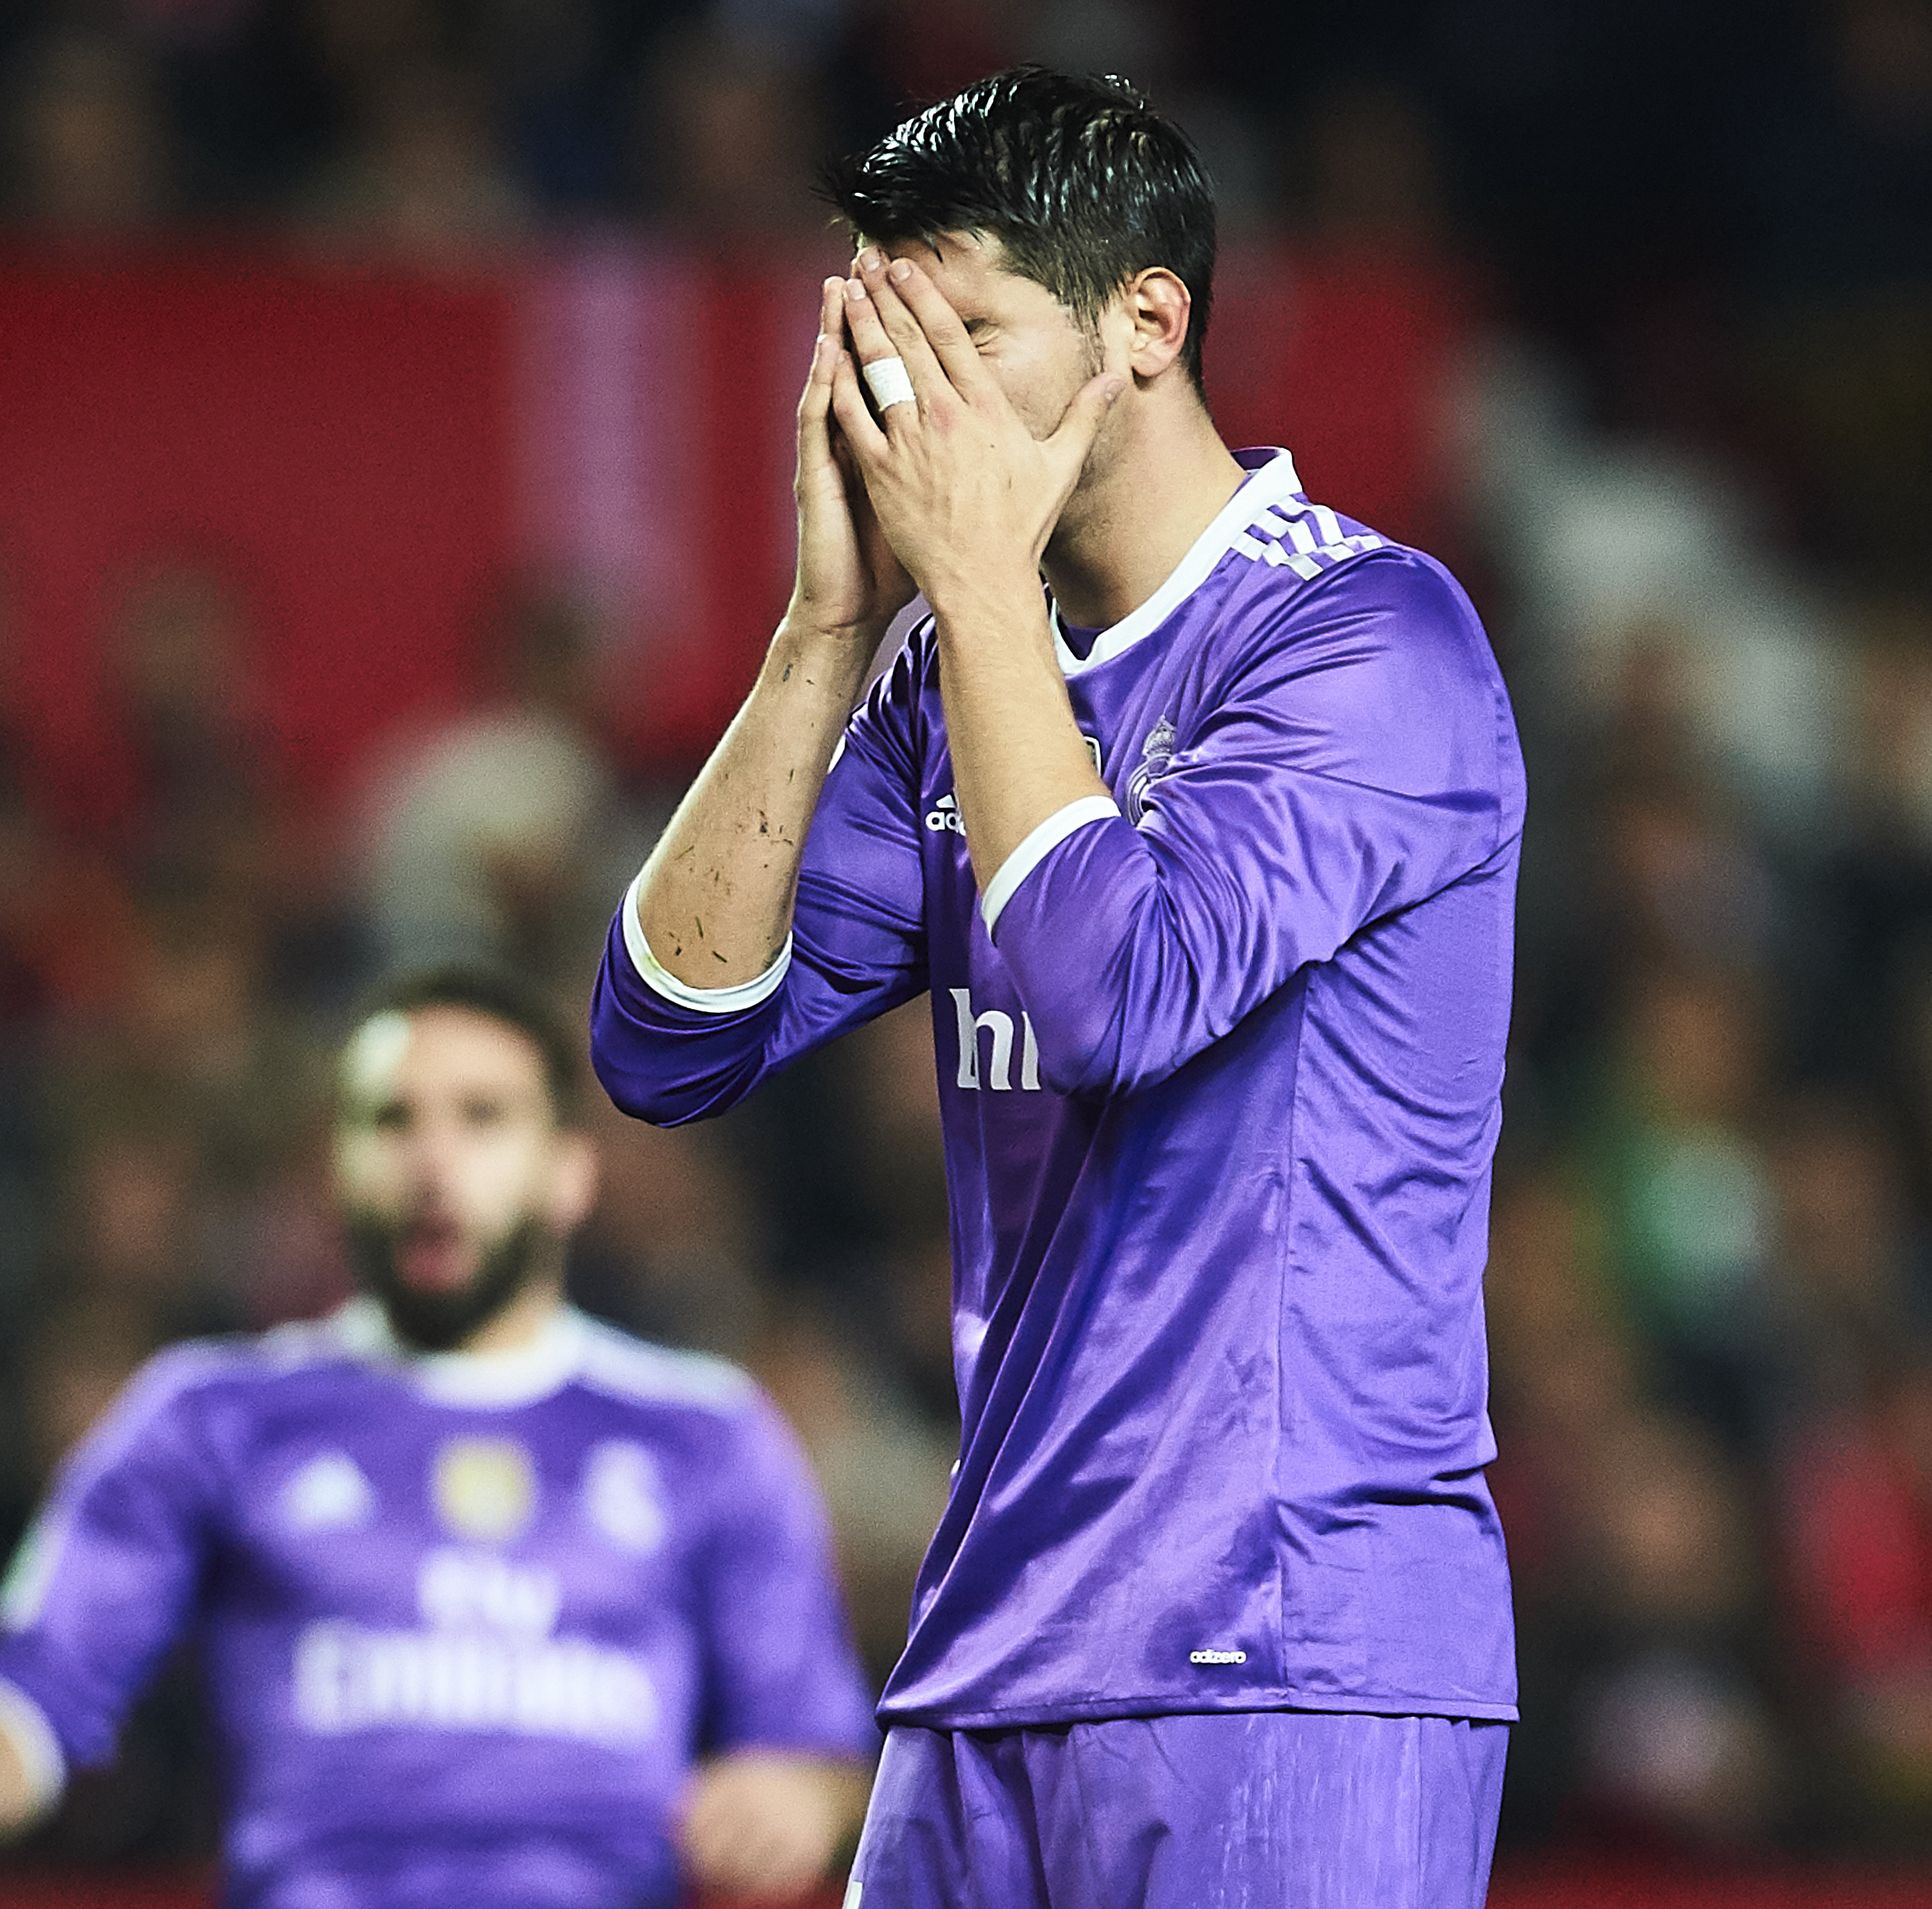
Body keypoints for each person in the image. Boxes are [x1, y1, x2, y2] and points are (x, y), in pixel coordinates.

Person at [589, 67, 1523, 1909]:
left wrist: (971, 597)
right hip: (990, 1656)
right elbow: (665, 1045)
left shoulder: (1365, 640)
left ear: (1145, 326)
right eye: (882, 343)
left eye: (968, 339)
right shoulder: (945, 670)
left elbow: (1118, 997)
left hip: (1289, 1647)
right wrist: (821, 634)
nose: (907, 402)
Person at [0, 965, 874, 1906]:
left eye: (481, 1118)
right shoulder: (213, 1416)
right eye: (391, 1120)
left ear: (569, 1172)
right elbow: (41, 1678)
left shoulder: (703, 1434)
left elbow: (820, 1751)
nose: (432, 1161)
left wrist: (799, 1797)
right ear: (336, 1165)